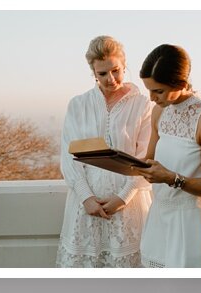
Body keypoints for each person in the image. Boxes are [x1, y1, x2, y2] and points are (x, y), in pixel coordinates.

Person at [57, 36, 153, 267]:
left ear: (124, 65)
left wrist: (123, 197)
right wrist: (86, 198)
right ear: (93, 73)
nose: (111, 79)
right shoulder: (78, 105)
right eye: (102, 74)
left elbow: (146, 157)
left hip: (129, 209)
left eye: (116, 71)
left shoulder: (143, 105)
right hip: (85, 209)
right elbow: (68, 155)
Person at [134, 44, 201, 267]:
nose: (152, 98)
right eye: (149, 90)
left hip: (189, 223)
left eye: (159, 91)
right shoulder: (159, 111)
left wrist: (171, 178)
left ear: (182, 84)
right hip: (158, 216)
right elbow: (150, 159)